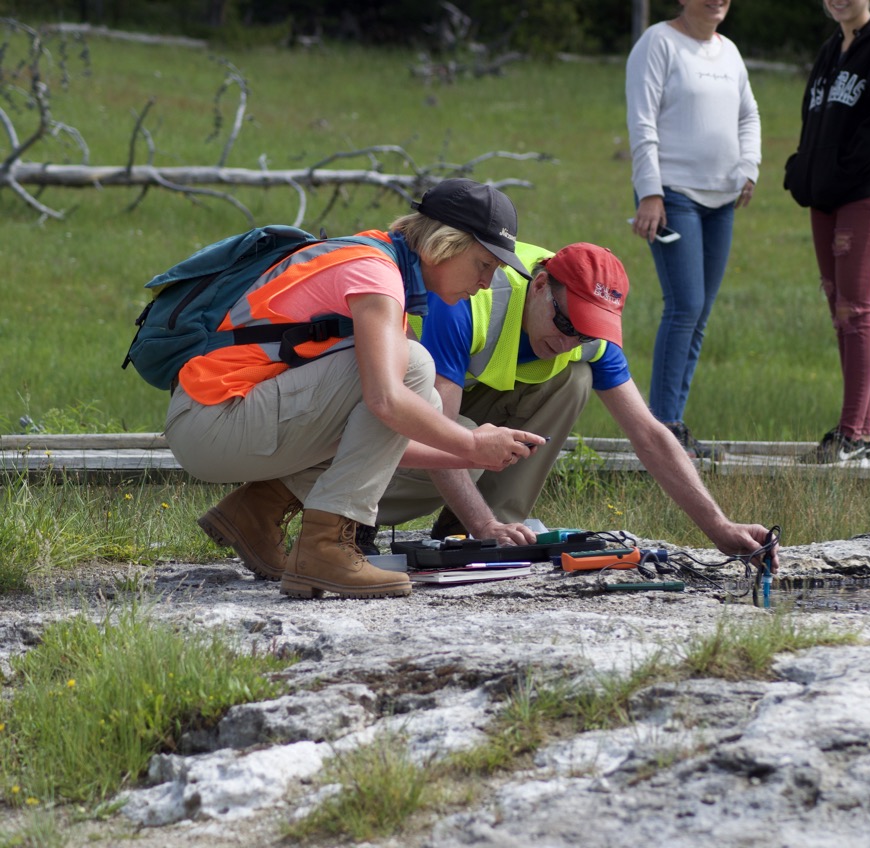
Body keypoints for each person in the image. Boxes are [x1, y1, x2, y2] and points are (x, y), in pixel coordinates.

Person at [170, 178, 545, 600]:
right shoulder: (375, 272)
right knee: (414, 367)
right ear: (446, 243)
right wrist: (471, 442)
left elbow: (376, 443)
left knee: (411, 378)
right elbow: (386, 399)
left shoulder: (381, 268)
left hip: (216, 422)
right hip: (215, 420)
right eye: (484, 264)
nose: (486, 282)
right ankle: (325, 549)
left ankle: (254, 516)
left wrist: (466, 452)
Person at [371, 241, 777, 565]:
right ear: (542, 284)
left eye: (584, 333)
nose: (568, 341)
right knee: (461, 435)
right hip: (394, 408)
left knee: (575, 378)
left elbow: (649, 435)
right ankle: (353, 519)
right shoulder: (472, 297)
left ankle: (488, 532)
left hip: (455, 407)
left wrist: (720, 527)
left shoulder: (588, 337)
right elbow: (436, 426)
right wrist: (483, 524)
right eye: (565, 323)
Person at [625, 0, 761, 460]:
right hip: (673, 194)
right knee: (684, 305)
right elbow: (642, 119)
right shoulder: (658, 43)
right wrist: (650, 192)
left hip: (722, 200)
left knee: (699, 313)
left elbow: (749, 115)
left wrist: (749, 166)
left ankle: (673, 423)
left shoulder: (730, 52)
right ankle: (661, 428)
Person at [783, 0, 870, 463]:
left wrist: (838, 173)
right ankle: (861, 434)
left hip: (864, 195)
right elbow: (813, 120)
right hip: (826, 199)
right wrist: (804, 171)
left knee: (856, 311)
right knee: (840, 311)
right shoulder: (830, 50)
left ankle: (853, 435)